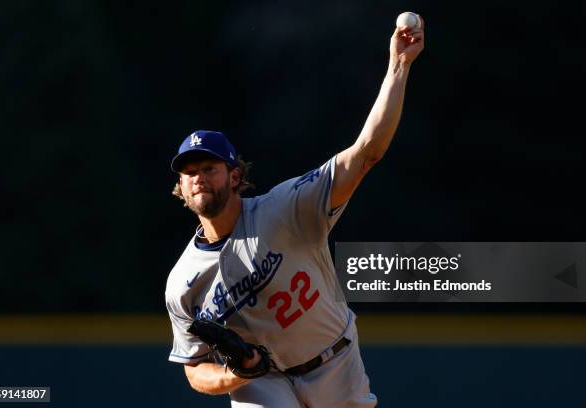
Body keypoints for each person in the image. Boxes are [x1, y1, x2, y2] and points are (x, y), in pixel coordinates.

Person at [165, 17, 425, 407]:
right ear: (181, 188)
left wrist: (399, 67)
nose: (198, 178)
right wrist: (234, 373)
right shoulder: (183, 281)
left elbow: (366, 152)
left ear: (235, 176)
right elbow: (193, 369)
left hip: (335, 362)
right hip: (262, 380)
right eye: (189, 173)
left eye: (209, 169)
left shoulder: (286, 208)